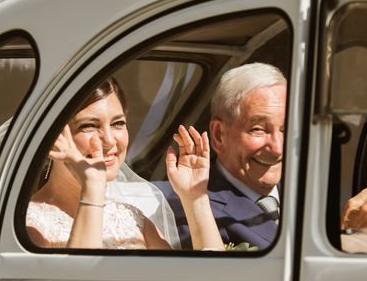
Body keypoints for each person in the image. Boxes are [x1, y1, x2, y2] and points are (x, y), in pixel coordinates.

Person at [158, 62, 367, 250]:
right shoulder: (191, 209)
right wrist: (346, 240)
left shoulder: (307, 193)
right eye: (259, 129)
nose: (278, 148)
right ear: (219, 135)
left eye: (286, 129)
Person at [26, 78, 224, 251]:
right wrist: (92, 189)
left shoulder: (134, 219)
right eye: (89, 126)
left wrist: (194, 197)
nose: (110, 141)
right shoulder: (29, 226)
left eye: (118, 123)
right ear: (53, 138)